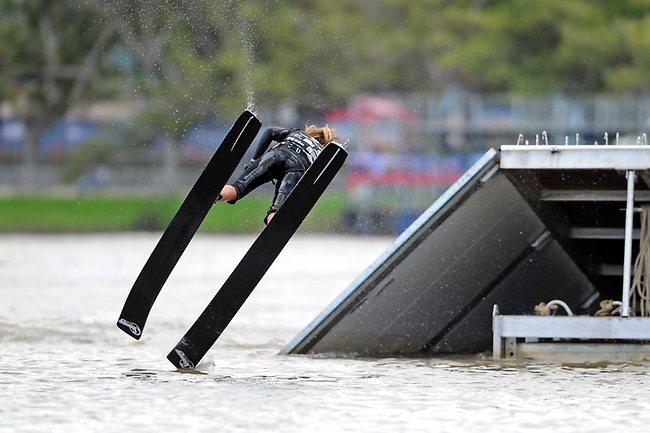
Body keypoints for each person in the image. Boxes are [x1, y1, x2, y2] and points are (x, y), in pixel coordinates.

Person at [217, 124, 338, 224]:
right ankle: (272, 223)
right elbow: (311, 184)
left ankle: (216, 195)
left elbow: (269, 131)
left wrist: (255, 160)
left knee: (238, 188)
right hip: (297, 168)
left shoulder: (297, 132)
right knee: (276, 210)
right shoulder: (322, 154)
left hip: (275, 155)